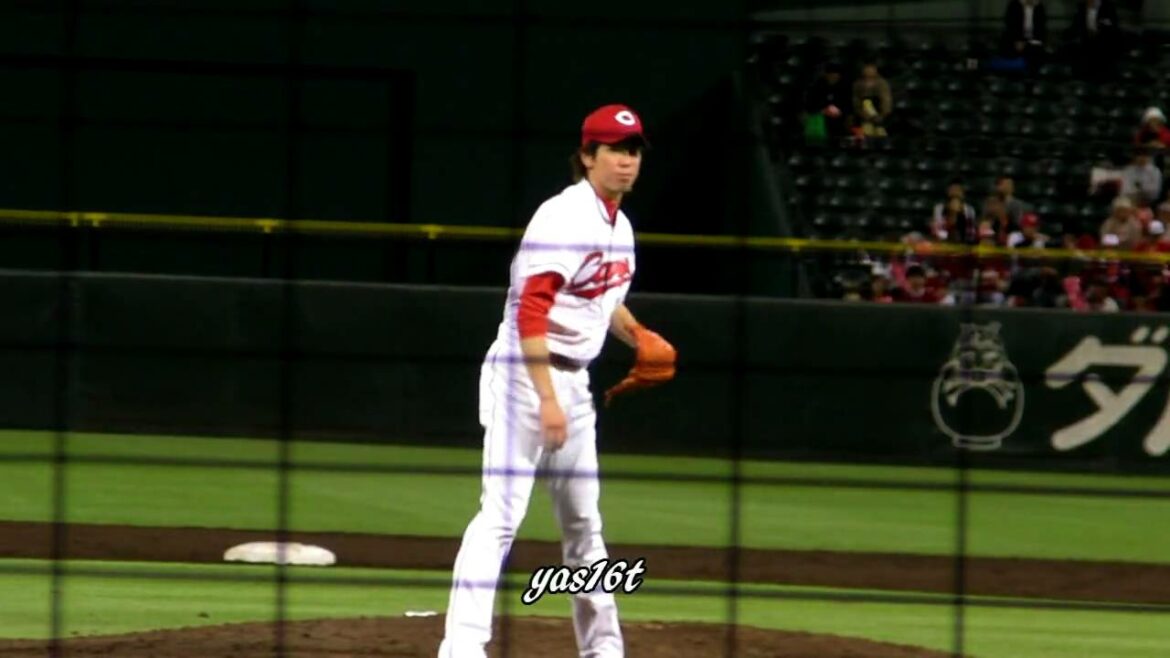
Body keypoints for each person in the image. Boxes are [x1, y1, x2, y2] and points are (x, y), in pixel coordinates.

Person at [438, 104, 677, 658]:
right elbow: (529, 313)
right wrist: (546, 399)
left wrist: (638, 333)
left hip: (574, 384)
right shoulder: (563, 218)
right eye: (615, 150)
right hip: (524, 377)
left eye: (634, 150)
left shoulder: (620, 228)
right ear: (588, 156)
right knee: (501, 514)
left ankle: (603, 649)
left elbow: (602, 301)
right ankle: (462, 648)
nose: (626, 161)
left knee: (584, 525)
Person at [803, 61, 850, 142]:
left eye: (836, 75)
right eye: (831, 74)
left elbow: (847, 104)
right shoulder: (816, 86)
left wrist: (841, 111)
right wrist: (823, 110)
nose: (833, 77)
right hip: (820, 118)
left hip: (839, 119)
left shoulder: (844, 87)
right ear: (826, 75)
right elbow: (810, 104)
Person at [852, 61, 892, 139]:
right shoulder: (858, 84)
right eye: (866, 69)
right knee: (866, 136)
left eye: (871, 69)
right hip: (864, 114)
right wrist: (860, 112)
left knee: (880, 136)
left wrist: (882, 114)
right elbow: (855, 99)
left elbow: (886, 99)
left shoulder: (882, 83)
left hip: (879, 113)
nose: (868, 71)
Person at [1003, 0, 1048, 67]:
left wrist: (1036, 40)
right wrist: (1018, 40)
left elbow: (1040, 28)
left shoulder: (1039, 7)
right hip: (1016, 40)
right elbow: (1011, 26)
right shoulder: (1014, 6)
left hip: (1033, 41)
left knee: (1036, 51)